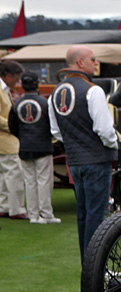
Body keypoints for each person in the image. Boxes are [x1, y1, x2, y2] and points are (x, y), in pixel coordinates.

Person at [49, 46, 118, 260]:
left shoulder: (56, 92)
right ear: (80, 62)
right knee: (97, 216)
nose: (96, 63)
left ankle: (87, 263)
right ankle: (96, 267)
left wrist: (75, 143)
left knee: (84, 215)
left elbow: (55, 131)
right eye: (93, 59)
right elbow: (105, 130)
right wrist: (114, 144)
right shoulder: (93, 90)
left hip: (75, 161)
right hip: (96, 159)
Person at [9, 71, 59, 224]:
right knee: (44, 181)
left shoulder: (17, 104)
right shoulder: (45, 103)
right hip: (43, 146)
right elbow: (52, 125)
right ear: (37, 84)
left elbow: (12, 126)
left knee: (29, 182)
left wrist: (23, 138)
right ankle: (46, 214)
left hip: (25, 147)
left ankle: (33, 215)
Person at [0, 59, 26, 220]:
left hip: (4, 140)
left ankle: (4, 207)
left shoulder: (5, 89)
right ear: (8, 75)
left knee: (3, 176)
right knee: (15, 175)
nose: (18, 80)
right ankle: (16, 209)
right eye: (16, 77)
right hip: (7, 140)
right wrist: (13, 126)